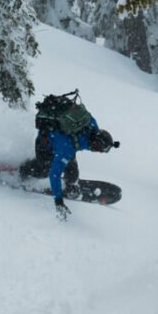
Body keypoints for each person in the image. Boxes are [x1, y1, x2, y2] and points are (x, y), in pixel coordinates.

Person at [30, 91, 117, 219]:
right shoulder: (68, 148)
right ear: (95, 144)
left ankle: (70, 184)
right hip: (45, 145)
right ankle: (17, 171)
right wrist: (58, 201)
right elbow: (54, 174)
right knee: (43, 170)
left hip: (62, 143)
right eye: (98, 149)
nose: (97, 151)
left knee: (72, 173)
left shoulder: (92, 126)